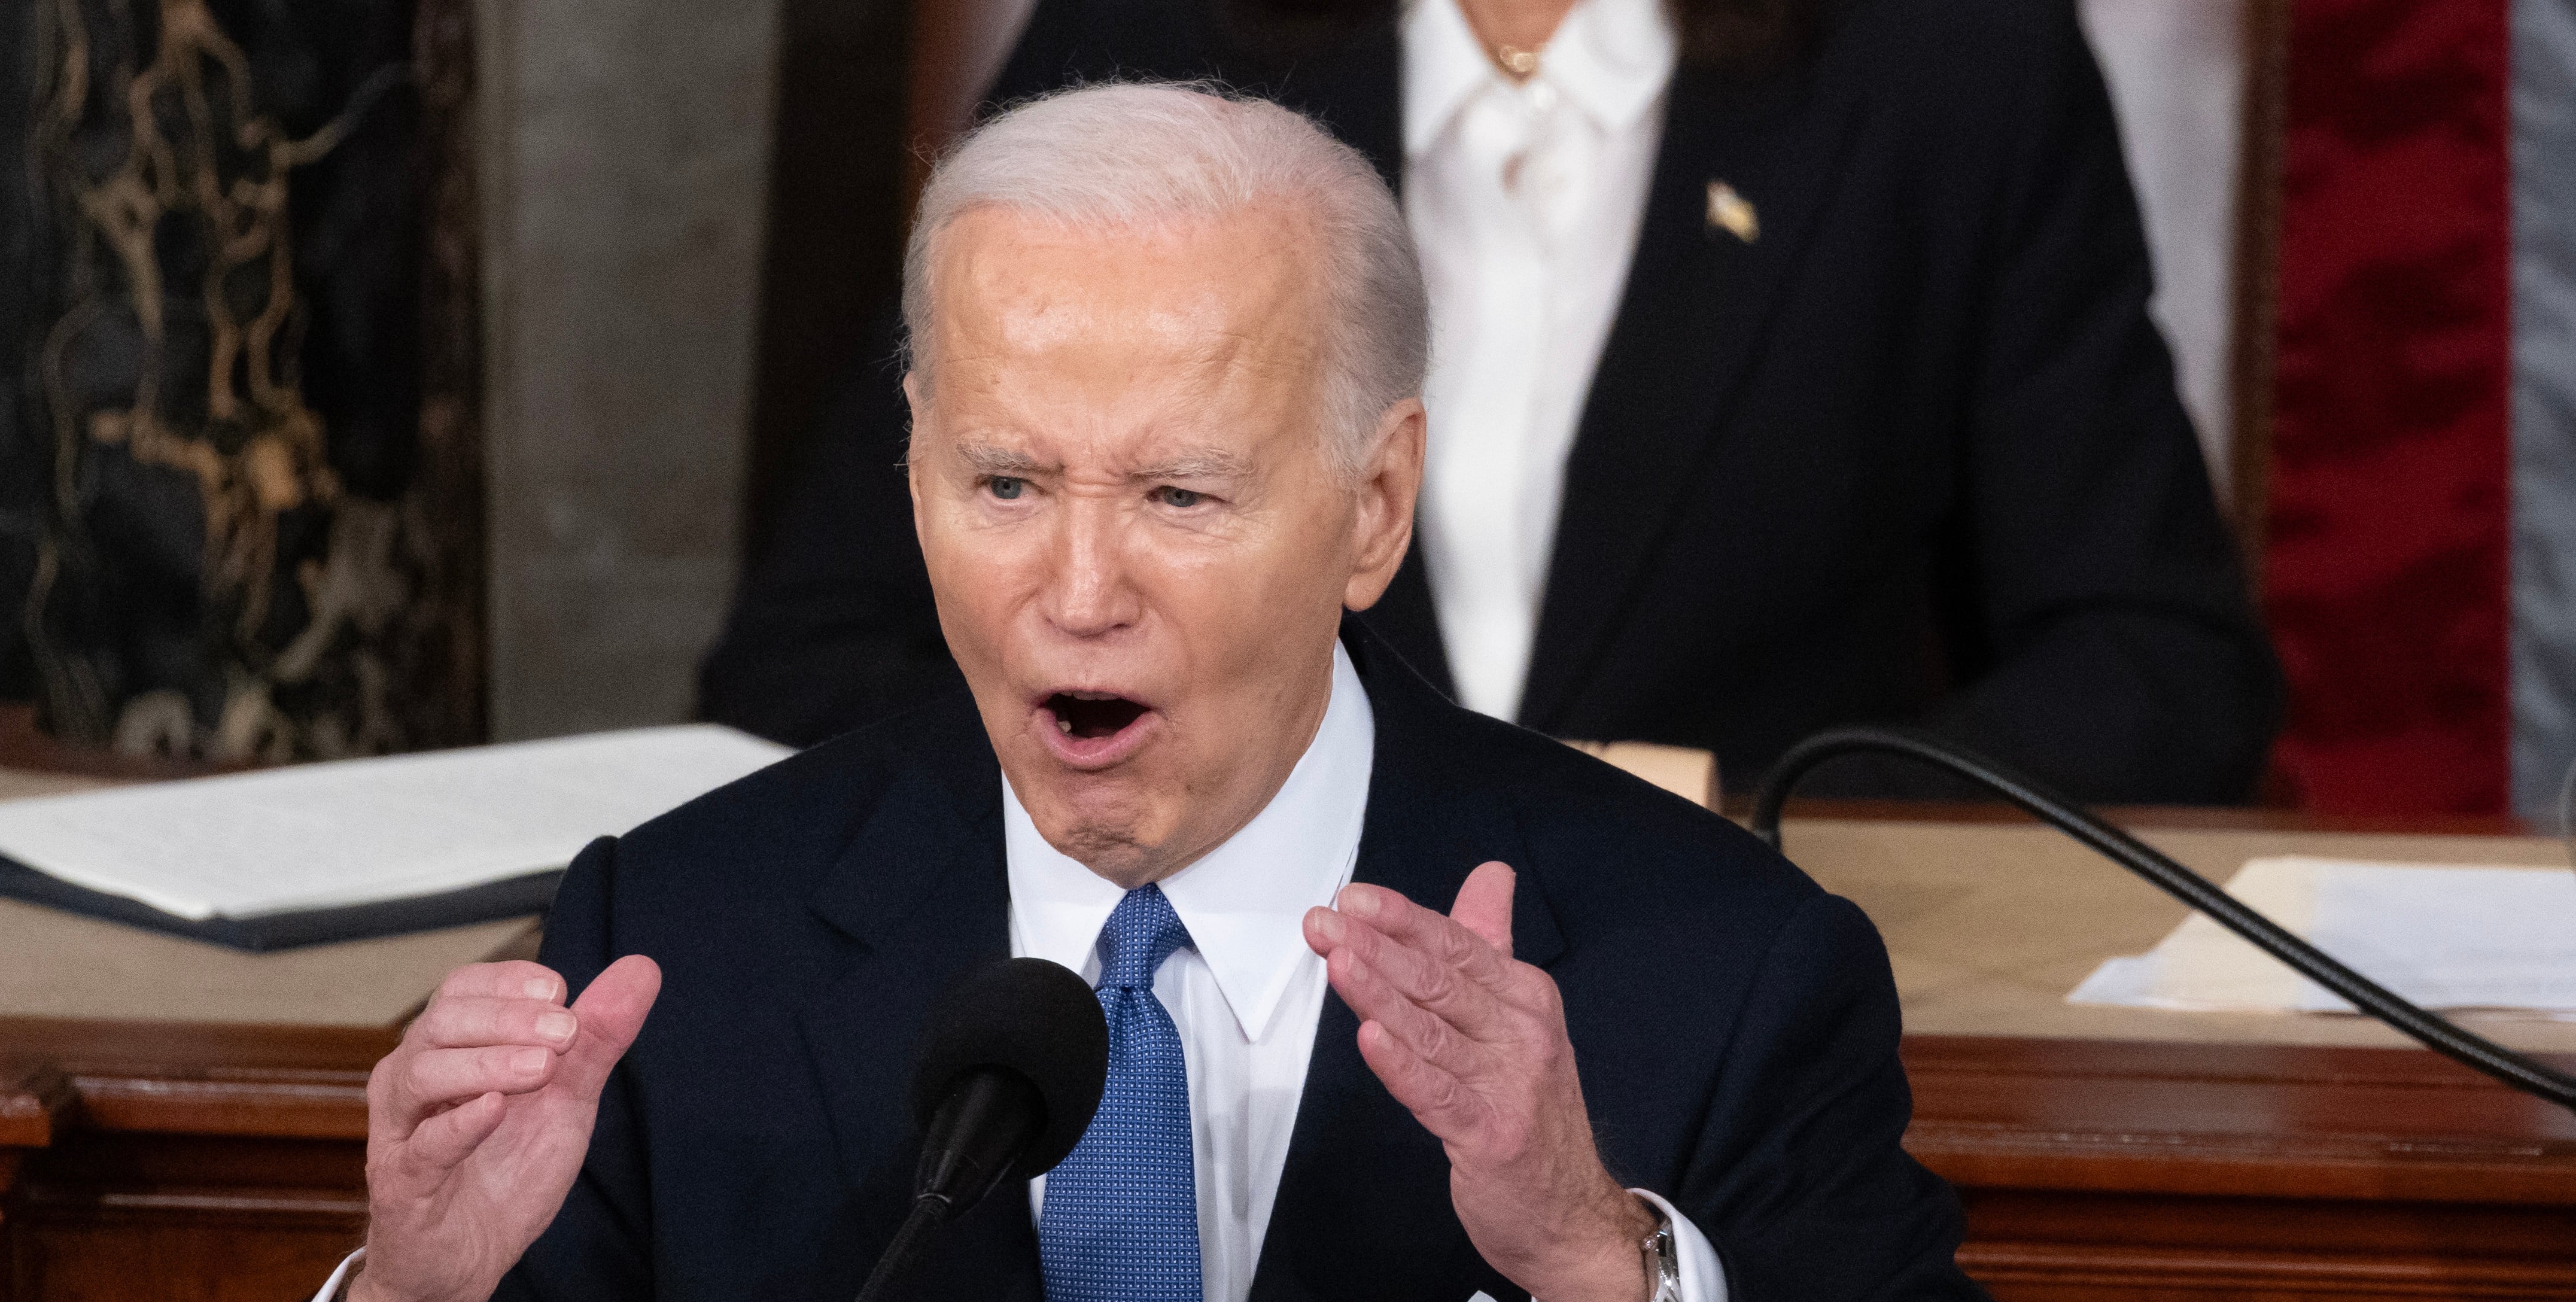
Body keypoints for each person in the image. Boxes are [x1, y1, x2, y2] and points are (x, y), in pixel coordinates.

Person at [131, 87, 2145, 1302]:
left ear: (1373, 506)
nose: (1073, 591)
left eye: (1180, 493)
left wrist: (1605, 1270)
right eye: (1005, 482)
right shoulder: (694, 954)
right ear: (913, 465)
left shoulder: (1695, 967)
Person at [702, 0, 2283, 802]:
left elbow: (2157, 670)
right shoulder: (1151, 39)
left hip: (1731, 1027)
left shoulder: (1950, 65)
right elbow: (812, 657)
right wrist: (1217, 792)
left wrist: (1731, 817)